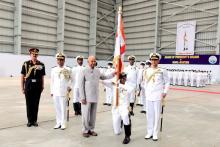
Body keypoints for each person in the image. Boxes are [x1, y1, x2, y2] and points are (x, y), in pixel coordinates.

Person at [79, 56, 115, 138]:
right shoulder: (83, 70)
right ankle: (85, 130)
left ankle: (91, 129)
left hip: (95, 95)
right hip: (86, 97)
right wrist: (82, 97)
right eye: (91, 61)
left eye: (94, 61)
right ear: (88, 62)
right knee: (85, 114)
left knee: (93, 114)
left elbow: (104, 77)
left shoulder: (97, 70)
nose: (93, 63)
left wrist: (113, 73)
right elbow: (80, 85)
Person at [143, 53, 169, 141]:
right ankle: (149, 132)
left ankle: (155, 133)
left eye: (155, 60)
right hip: (149, 96)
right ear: (150, 60)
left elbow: (167, 82)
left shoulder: (162, 70)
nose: (154, 61)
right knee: (149, 115)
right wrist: (145, 92)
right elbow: (145, 83)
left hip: (158, 95)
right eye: (152, 59)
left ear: (158, 60)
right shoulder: (146, 70)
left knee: (157, 115)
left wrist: (165, 92)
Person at [101, 72, 133, 144]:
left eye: (125, 77)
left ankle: (127, 136)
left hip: (124, 106)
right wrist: (113, 78)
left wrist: (130, 109)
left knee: (125, 117)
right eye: (122, 77)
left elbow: (131, 99)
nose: (124, 79)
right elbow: (103, 81)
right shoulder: (114, 85)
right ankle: (121, 122)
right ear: (119, 78)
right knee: (117, 132)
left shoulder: (129, 87)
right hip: (116, 107)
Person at [21, 48, 45, 127]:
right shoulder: (26, 64)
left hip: (37, 87)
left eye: (36, 55)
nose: (34, 56)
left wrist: (42, 86)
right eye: (33, 54)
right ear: (30, 55)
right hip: (28, 86)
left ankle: (34, 121)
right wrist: (22, 87)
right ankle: (29, 121)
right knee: (29, 104)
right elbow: (22, 76)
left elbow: (42, 77)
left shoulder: (41, 64)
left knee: (36, 103)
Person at [50, 52, 72, 130]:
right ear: (57, 60)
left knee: (63, 108)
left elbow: (71, 79)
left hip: (64, 92)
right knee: (57, 108)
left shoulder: (68, 69)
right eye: (58, 60)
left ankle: (63, 123)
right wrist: (51, 91)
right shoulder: (53, 69)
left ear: (64, 60)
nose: (60, 61)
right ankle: (58, 122)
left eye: (62, 60)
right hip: (56, 92)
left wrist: (69, 86)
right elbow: (52, 81)